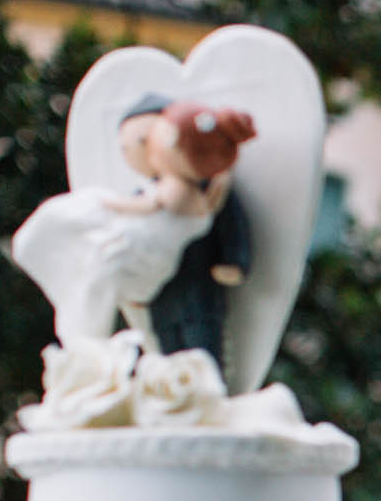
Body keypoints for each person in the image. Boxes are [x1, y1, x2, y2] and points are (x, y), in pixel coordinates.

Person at [13, 97, 255, 357]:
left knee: (202, 345)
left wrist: (235, 260)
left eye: (145, 139)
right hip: (159, 295)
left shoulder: (213, 191)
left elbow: (232, 226)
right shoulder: (157, 191)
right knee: (167, 349)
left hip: (196, 286)